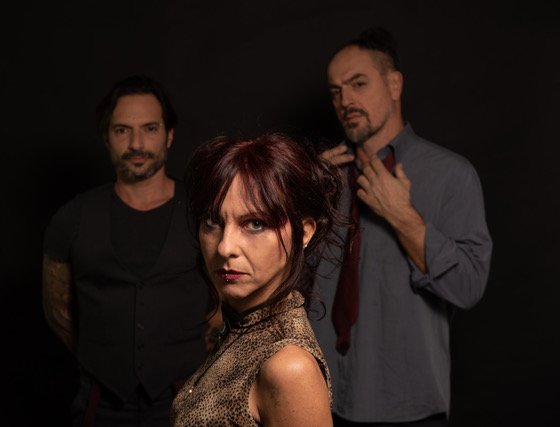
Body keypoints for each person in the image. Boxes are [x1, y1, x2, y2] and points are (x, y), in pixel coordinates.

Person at [312, 28, 493, 426]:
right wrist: (298, 201)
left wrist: (402, 216)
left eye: (358, 84)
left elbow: (468, 286)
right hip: (317, 401)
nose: (345, 100)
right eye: (336, 91)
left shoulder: (451, 175)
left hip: (406, 406)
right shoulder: (321, 178)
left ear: (394, 85)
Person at [42, 75, 218, 427]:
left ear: (169, 135)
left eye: (150, 128)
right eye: (122, 130)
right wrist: (104, 358)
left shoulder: (203, 213)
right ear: (106, 137)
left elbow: (223, 303)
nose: (137, 144)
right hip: (100, 399)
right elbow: (57, 312)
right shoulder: (71, 218)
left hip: (187, 396)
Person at [171, 133, 343, 426]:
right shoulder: (242, 327)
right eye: (212, 221)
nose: (225, 247)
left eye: (254, 223)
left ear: (304, 232)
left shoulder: (289, 367)